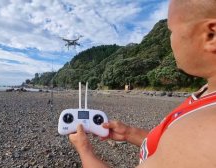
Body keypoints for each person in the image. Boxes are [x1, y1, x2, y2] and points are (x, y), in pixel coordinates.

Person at [69, 0, 216, 167]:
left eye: (171, 31)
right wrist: (130, 133)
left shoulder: (205, 134)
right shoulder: (206, 92)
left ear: (211, 35)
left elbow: (182, 145)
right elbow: (165, 145)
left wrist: (84, 149)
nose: (170, 40)